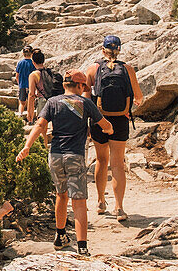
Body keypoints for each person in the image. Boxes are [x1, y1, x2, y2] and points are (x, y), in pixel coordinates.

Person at [16, 70, 113, 257]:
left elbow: (40, 125)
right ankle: (82, 247)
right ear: (80, 86)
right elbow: (104, 125)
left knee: (61, 195)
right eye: (84, 86)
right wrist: (110, 129)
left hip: (56, 155)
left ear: (64, 85)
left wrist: (27, 146)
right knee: (79, 201)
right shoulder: (85, 103)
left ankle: (60, 236)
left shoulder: (52, 103)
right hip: (75, 156)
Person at [85, 35, 144, 222]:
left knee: (101, 160)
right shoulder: (127, 69)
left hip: (99, 120)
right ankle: (119, 208)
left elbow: (86, 100)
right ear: (119, 50)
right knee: (118, 163)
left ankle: (101, 202)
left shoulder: (93, 69)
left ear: (103, 50)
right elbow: (139, 97)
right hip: (120, 120)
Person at [15, 46, 34, 117]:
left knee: (22, 102)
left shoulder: (20, 63)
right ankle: (30, 118)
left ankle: (20, 114)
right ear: (31, 54)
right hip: (30, 86)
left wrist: (19, 84)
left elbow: (17, 76)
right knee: (30, 103)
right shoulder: (33, 63)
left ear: (23, 53)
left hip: (22, 85)